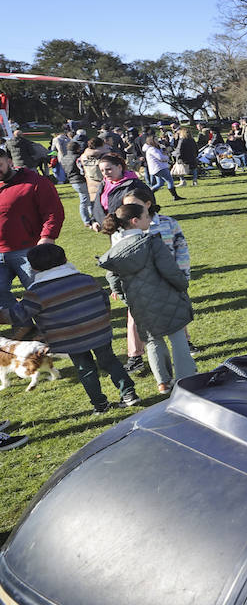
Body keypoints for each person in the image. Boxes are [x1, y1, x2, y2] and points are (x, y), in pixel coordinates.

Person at [1, 243, 138, 412]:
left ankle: (100, 405)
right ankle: (129, 394)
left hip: (69, 338)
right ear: (65, 259)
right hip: (98, 331)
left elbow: (17, 315)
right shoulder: (87, 279)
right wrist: (103, 319)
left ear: (34, 268)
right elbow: (104, 300)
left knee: (85, 369)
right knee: (110, 361)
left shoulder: (36, 293)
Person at [98, 203, 197, 395]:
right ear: (135, 221)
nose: (149, 220)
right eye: (145, 216)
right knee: (177, 337)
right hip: (166, 295)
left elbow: (113, 279)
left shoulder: (114, 251)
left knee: (152, 340)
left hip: (139, 302)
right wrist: (182, 285)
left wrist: (127, 297)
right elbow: (169, 270)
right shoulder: (152, 243)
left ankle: (163, 382)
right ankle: (186, 378)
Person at [0, 145, 64, 311]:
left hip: (29, 250)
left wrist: (47, 238)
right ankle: (24, 326)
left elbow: (53, 213)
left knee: (42, 294)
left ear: (9, 161)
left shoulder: (35, 182)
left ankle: (54, 327)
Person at [141, 133, 182, 200]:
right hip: (160, 168)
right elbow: (160, 158)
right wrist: (167, 157)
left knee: (160, 184)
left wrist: (164, 151)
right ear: (152, 141)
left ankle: (147, 194)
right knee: (170, 181)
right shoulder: (152, 149)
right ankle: (175, 196)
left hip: (157, 168)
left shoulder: (154, 148)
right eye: (156, 140)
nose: (158, 141)